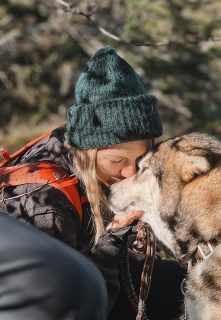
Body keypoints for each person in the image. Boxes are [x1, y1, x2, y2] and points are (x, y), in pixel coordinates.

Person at [0, 47, 184, 320]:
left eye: (141, 158)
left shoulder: (84, 149)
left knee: (188, 285)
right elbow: (69, 305)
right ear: (88, 151)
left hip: (102, 278)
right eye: (117, 161)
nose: (129, 173)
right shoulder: (44, 203)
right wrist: (114, 241)